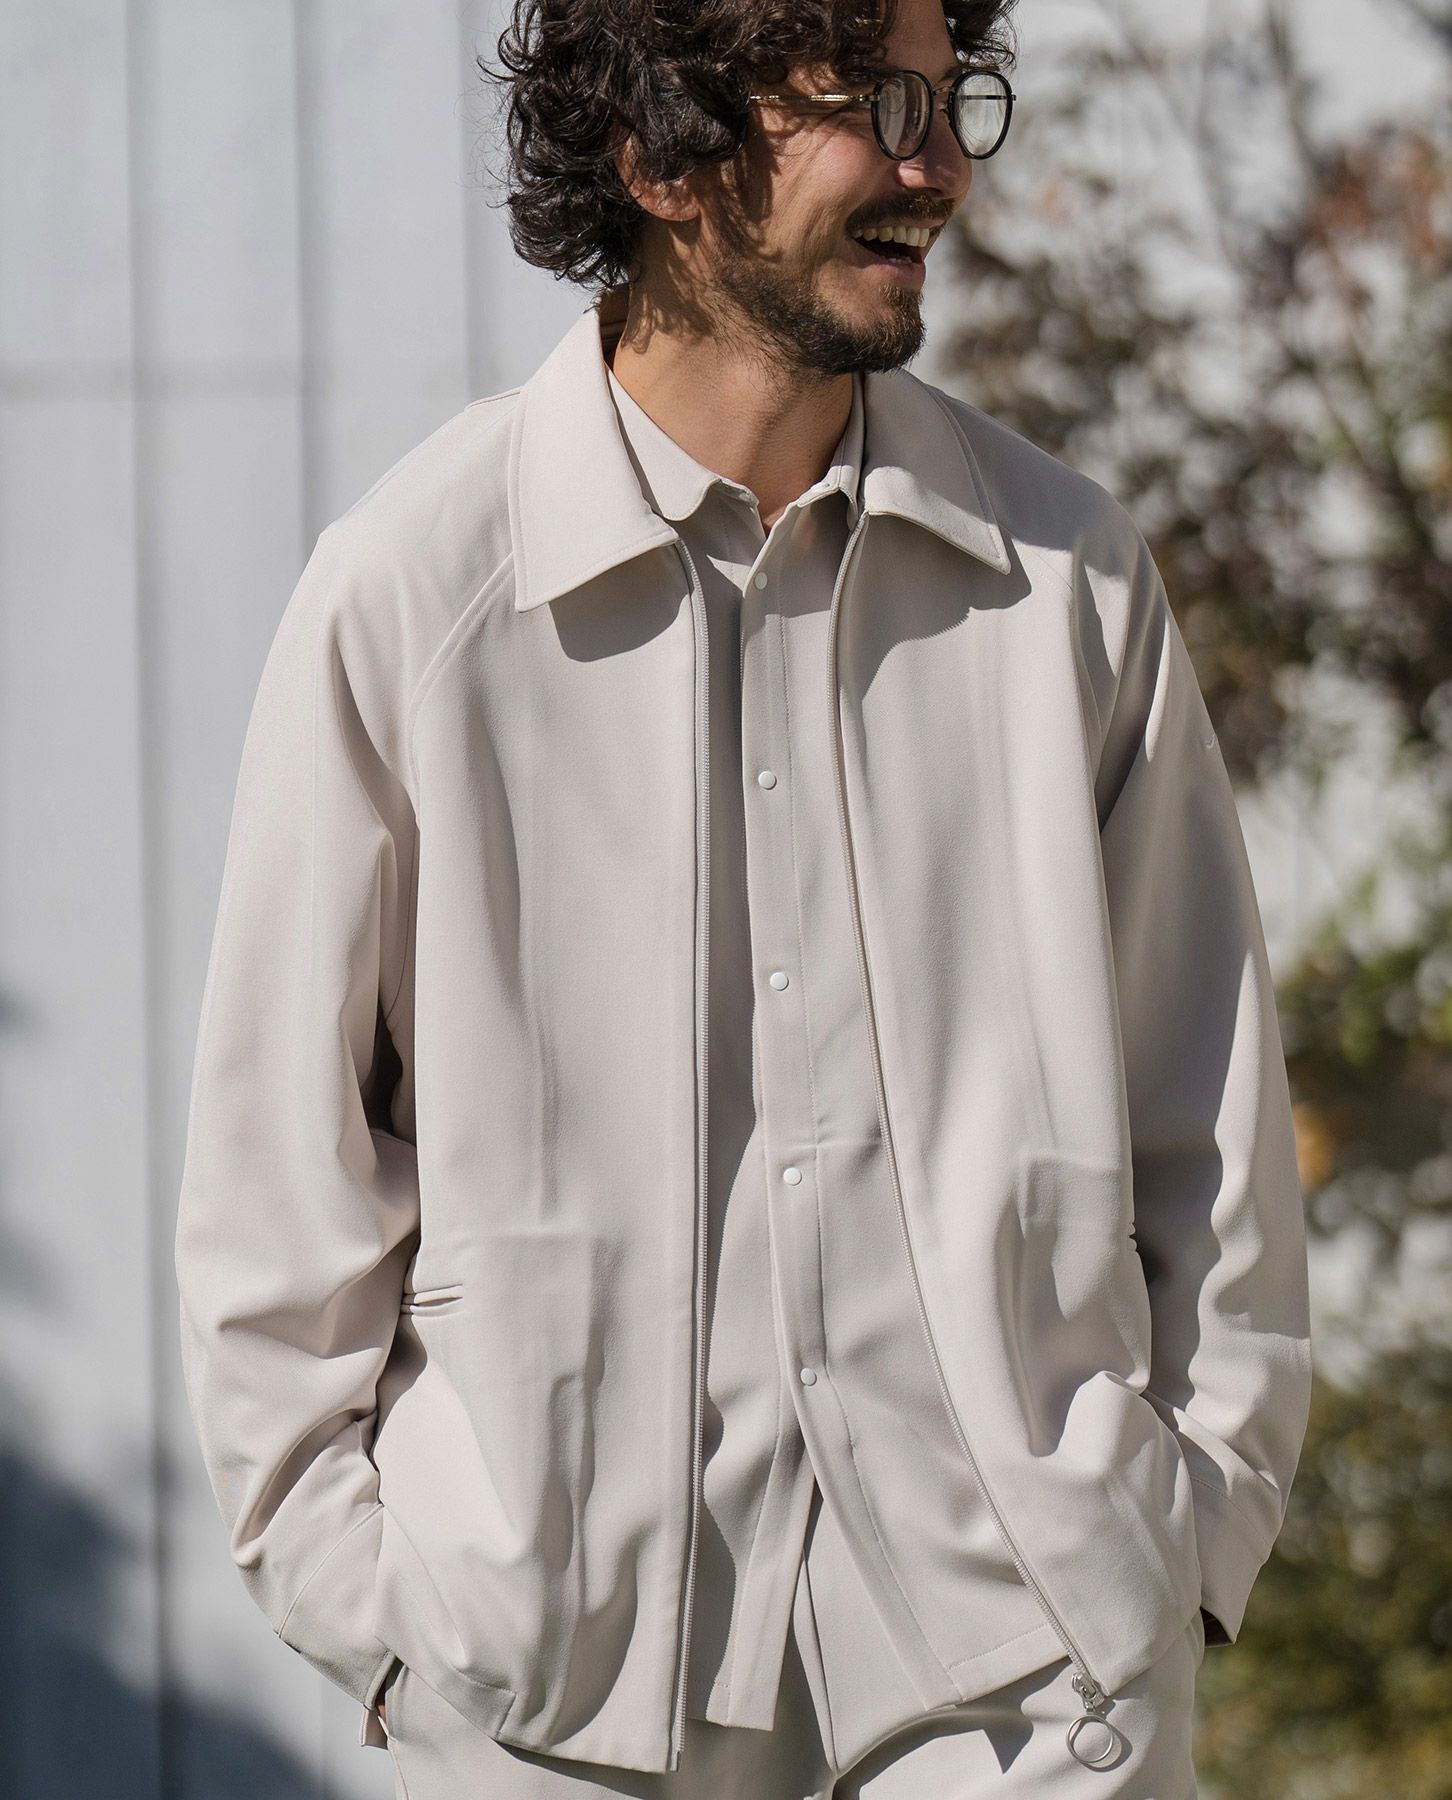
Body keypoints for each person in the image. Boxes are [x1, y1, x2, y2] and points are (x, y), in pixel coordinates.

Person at [174, 0, 1313, 1794]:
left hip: (1035, 1683)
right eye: (873, 101)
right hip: (553, 1698)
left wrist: (1184, 1536)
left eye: (952, 96)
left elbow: (1213, 1120)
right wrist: (399, 1629)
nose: (935, 166)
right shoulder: (410, 600)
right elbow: (275, 1200)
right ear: (660, 150)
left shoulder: (1070, 583)